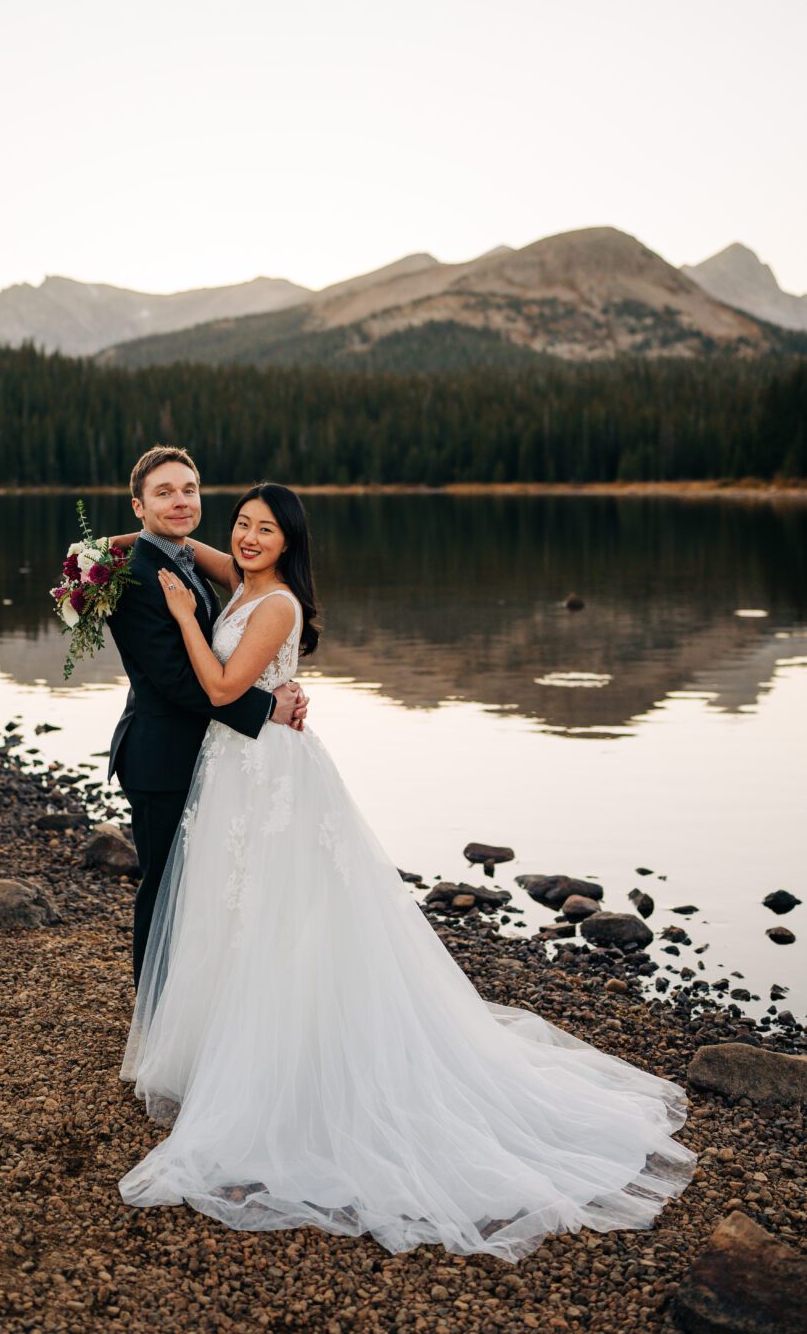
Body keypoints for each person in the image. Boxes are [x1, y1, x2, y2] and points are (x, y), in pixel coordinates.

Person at [114, 481, 698, 1261]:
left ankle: (287, 1070)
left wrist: (186, 619)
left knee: (280, 914)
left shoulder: (276, 604)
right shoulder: (241, 578)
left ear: (290, 543)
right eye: (242, 525)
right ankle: (224, 1051)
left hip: (265, 775)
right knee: (238, 914)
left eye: (265, 530)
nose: (249, 538)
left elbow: (222, 688)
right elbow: (190, 547)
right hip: (235, 773)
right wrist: (115, 548)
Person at [106, 446, 309, 990]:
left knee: (206, 889)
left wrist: (102, 546)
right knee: (164, 889)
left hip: (210, 755)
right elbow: (175, 681)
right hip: (160, 755)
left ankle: (198, 1007)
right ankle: (153, 1015)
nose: (180, 501)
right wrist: (267, 705)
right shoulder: (137, 578)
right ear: (138, 505)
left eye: (188, 490)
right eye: (164, 493)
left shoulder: (190, 561)